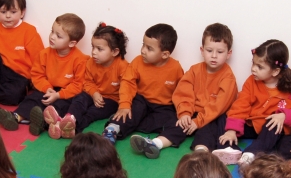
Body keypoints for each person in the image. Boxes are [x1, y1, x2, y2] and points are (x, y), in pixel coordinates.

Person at [215, 39, 291, 165]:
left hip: (271, 129)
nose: (253, 69)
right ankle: (229, 149)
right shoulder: (251, 81)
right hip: (253, 123)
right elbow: (241, 104)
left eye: (259, 67)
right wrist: (232, 130)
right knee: (224, 117)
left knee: (273, 125)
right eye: (253, 63)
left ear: (275, 71)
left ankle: (252, 153)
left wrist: (284, 116)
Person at [0, 14, 88, 136]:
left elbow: (78, 85)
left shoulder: (80, 60)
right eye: (52, 32)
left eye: (58, 36)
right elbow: (37, 75)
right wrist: (48, 89)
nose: (52, 37)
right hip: (48, 88)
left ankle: (42, 123)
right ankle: (15, 117)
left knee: (60, 106)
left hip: (66, 93)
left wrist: (58, 95)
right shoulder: (44, 54)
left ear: (72, 43)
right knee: (34, 98)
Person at [103, 24, 185, 159]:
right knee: (128, 111)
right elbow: (127, 83)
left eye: (149, 48)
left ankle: (156, 144)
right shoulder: (137, 62)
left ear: (165, 54)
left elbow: (182, 92)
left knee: (180, 125)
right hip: (142, 102)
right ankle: (111, 131)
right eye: (143, 45)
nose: (143, 51)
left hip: (164, 107)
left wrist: (183, 112)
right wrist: (124, 105)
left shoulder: (176, 68)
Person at [50, 23, 129, 139]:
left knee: (92, 112)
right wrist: (94, 93)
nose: (94, 52)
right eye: (93, 47)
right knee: (79, 99)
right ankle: (68, 118)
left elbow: (127, 87)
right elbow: (87, 82)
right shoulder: (91, 63)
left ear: (115, 52)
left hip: (111, 100)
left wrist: (123, 105)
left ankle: (73, 128)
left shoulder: (123, 67)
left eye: (99, 49)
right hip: (93, 93)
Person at [171, 23, 238, 154]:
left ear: (228, 53)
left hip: (211, 116)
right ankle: (157, 143)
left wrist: (198, 122)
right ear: (202, 51)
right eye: (209, 50)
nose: (214, 56)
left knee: (208, 129)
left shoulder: (228, 77)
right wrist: (185, 114)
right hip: (192, 111)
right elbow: (183, 92)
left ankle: (200, 153)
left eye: (220, 52)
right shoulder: (194, 70)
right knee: (177, 123)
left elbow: (219, 106)